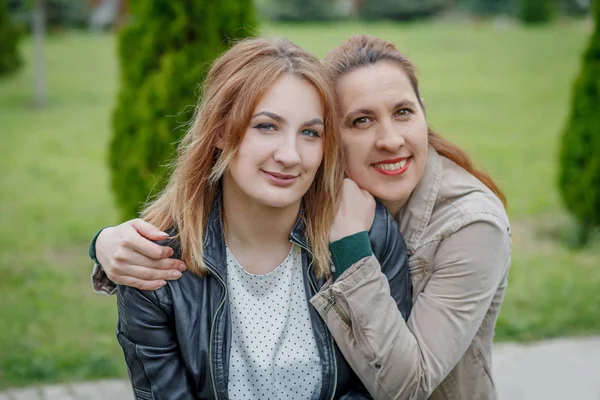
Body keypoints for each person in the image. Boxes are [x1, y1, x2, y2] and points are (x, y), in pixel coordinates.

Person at [93, 34, 510, 399]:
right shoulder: (159, 266)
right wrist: (104, 245)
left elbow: (398, 390)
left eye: (309, 132)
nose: (389, 140)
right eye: (361, 120)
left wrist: (352, 249)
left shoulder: (454, 227)